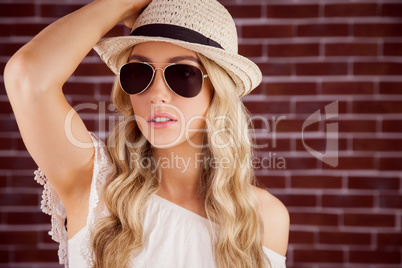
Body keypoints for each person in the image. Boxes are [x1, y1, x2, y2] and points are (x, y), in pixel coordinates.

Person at [4, 0, 289, 267]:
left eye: (183, 74)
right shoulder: (96, 186)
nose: (156, 95)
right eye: (139, 72)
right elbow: (27, 76)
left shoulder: (263, 218)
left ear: (218, 91)